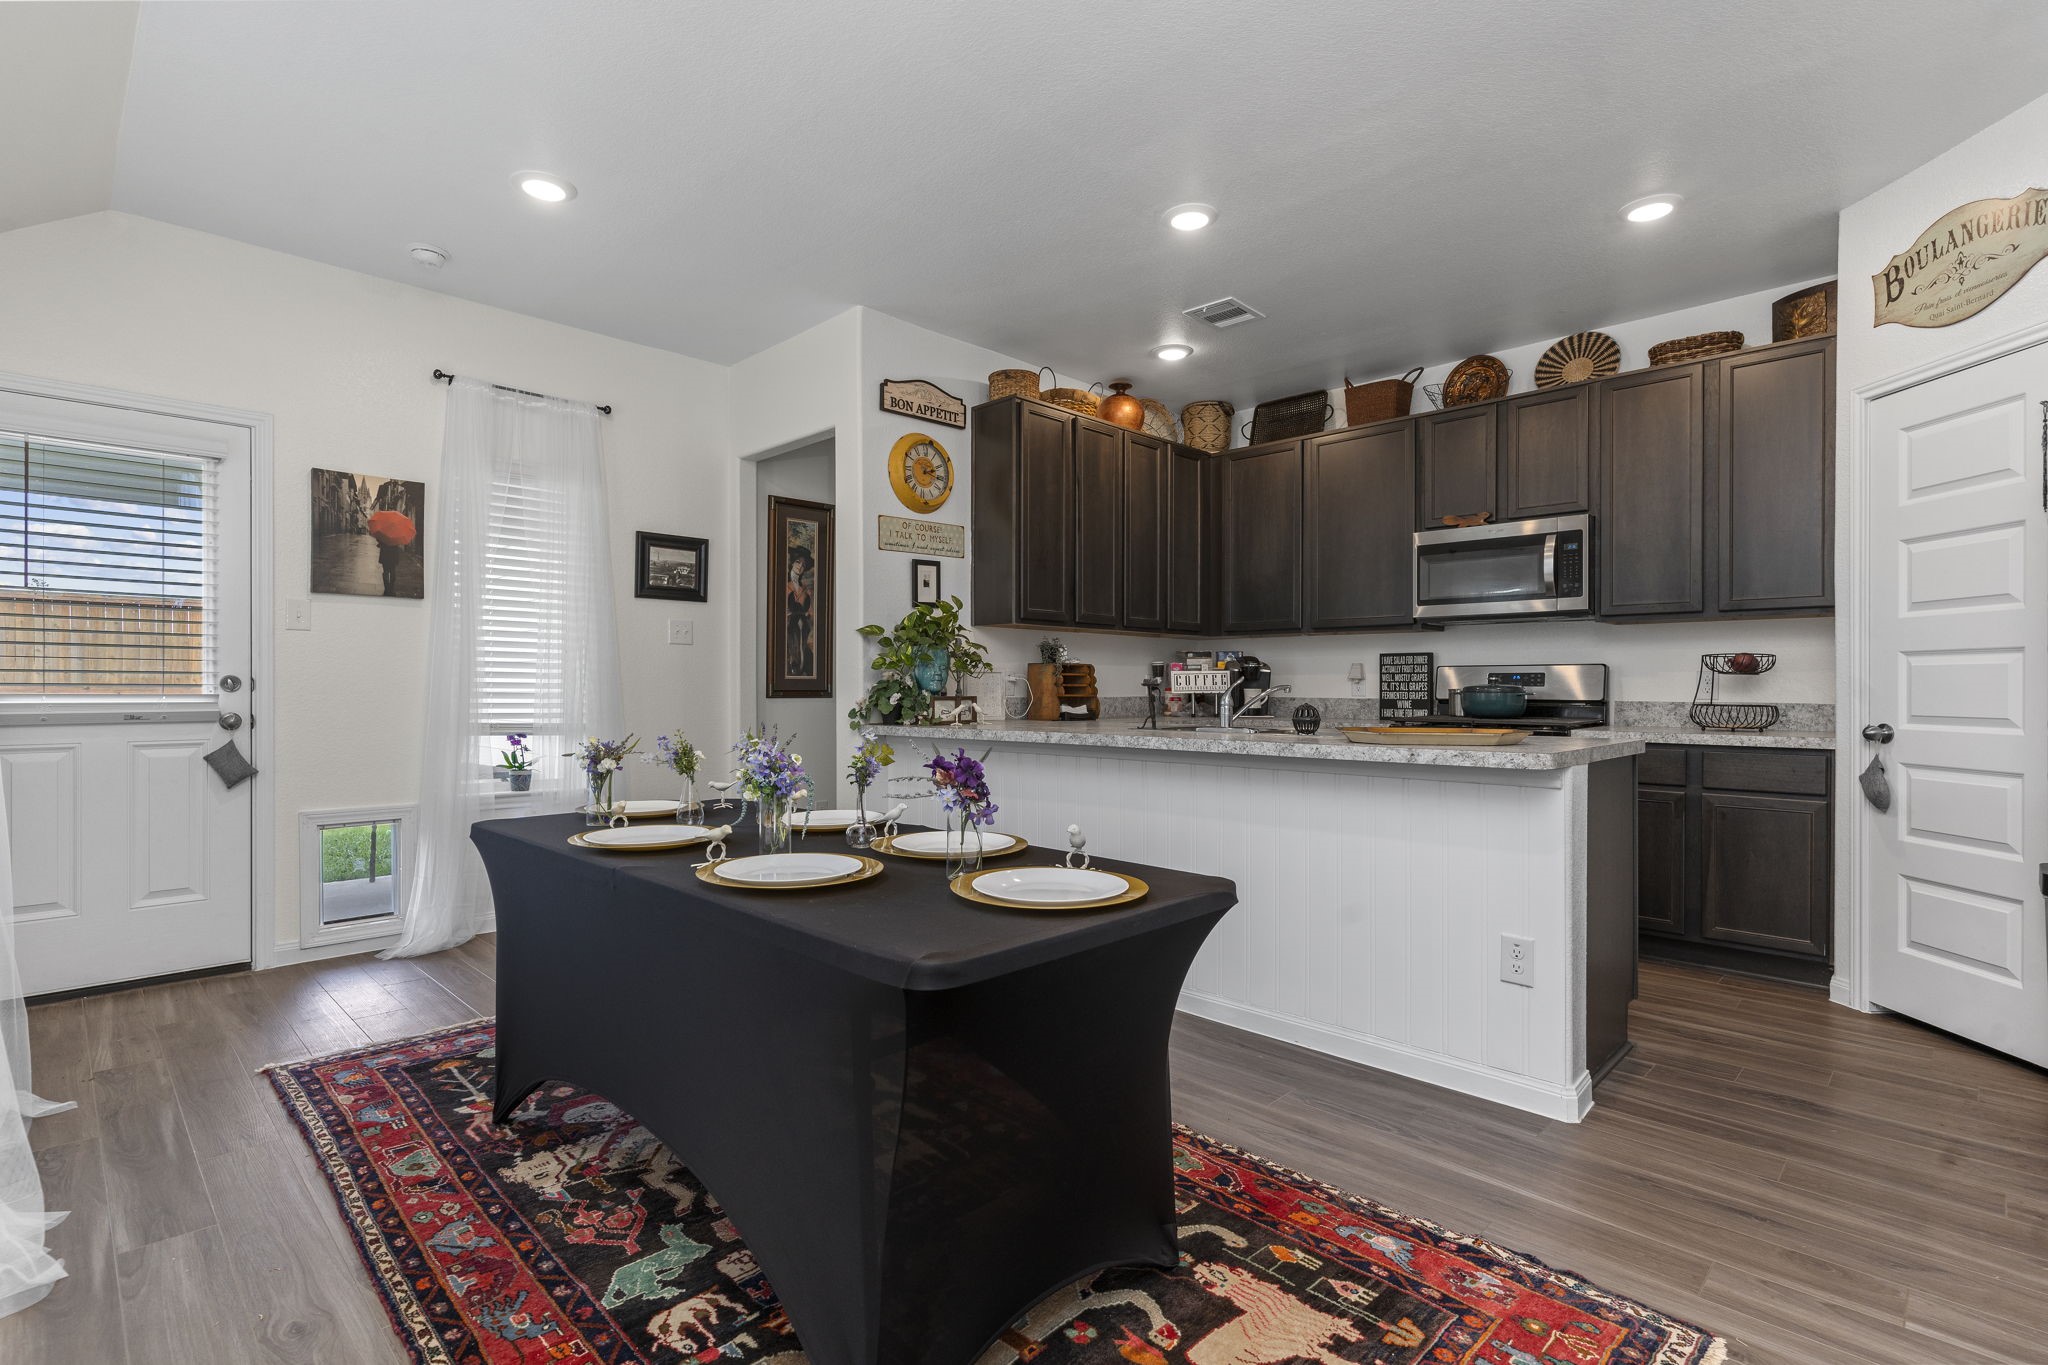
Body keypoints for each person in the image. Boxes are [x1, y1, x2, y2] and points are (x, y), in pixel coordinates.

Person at [785, 544, 815, 678]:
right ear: (792, 562)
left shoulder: (806, 590)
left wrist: (809, 615)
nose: (800, 566)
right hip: (788, 630)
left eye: (803, 565)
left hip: (803, 629)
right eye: (798, 562)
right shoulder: (785, 586)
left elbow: (811, 612)